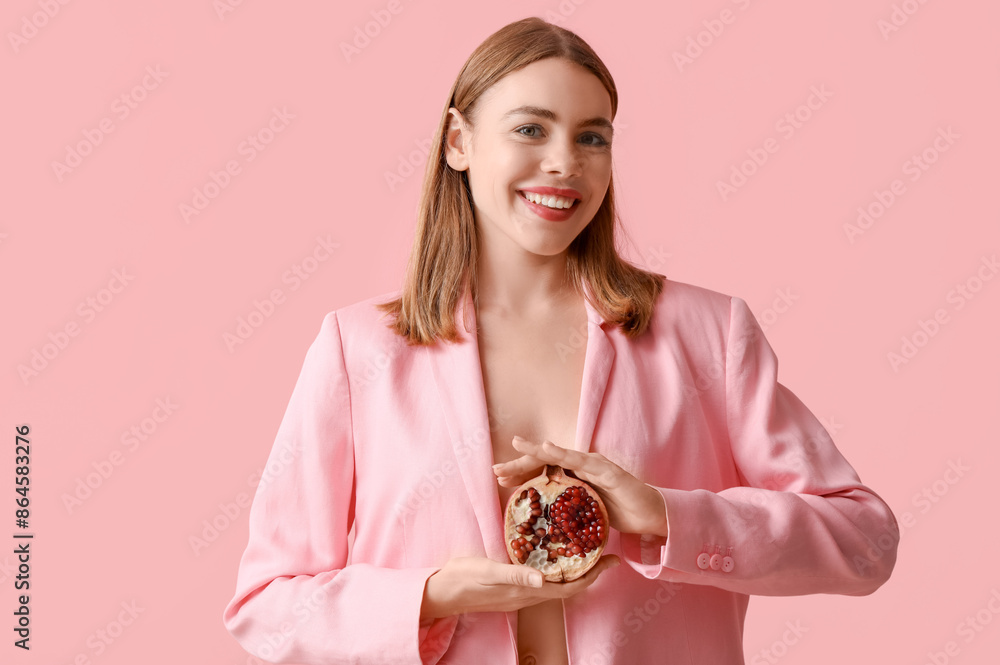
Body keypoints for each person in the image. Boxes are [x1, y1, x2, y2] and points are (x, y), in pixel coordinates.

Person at [223, 16, 899, 665]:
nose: (563, 163)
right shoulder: (358, 351)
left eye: (592, 138)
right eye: (530, 129)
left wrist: (668, 516)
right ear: (458, 140)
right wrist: (433, 596)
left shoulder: (707, 334)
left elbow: (866, 539)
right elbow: (266, 604)